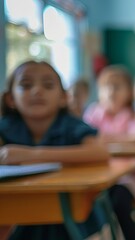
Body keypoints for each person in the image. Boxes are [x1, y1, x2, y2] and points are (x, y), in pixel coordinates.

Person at [0, 60, 109, 239]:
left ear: (63, 97)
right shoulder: (6, 126)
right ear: (10, 98)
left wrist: (32, 154)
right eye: (26, 85)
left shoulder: (71, 125)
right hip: (19, 214)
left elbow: (100, 152)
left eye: (48, 85)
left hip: (70, 217)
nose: (37, 91)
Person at [84, 65, 135, 240]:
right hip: (98, 176)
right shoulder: (93, 112)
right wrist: (124, 138)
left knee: (118, 200)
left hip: (130, 178)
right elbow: (86, 139)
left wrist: (103, 139)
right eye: (106, 86)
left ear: (129, 92)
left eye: (117, 86)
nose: (111, 91)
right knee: (89, 202)